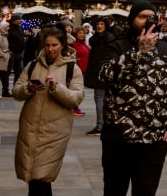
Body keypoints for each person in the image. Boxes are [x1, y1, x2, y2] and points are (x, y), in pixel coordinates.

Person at [98, 0, 167, 196]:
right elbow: (104, 77)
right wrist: (137, 52)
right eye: (141, 17)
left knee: (146, 191)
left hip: (153, 139)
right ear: (131, 20)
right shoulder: (117, 46)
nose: (146, 21)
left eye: (151, 17)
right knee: (114, 190)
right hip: (118, 137)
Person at [12, 27, 84, 196]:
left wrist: (56, 88)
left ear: (63, 45)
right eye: (47, 45)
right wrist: (28, 88)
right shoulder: (32, 65)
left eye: (55, 45)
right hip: (30, 127)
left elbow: (76, 98)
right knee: (32, 176)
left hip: (55, 131)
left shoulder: (72, 69)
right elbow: (16, 91)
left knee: (42, 176)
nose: (50, 49)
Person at [84, 17, 116, 135]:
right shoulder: (95, 38)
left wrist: (104, 67)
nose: (99, 26)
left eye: (102, 24)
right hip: (97, 71)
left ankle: (100, 126)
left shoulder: (108, 37)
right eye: (97, 24)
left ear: (106, 25)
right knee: (100, 98)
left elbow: (109, 55)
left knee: (99, 98)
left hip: (102, 72)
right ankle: (103, 125)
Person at [72, 28, 90, 116]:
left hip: (84, 70)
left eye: (83, 33)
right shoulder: (74, 44)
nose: (82, 35)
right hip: (77, 70)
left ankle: (75, 107)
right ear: (76, 34)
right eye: (80, 33)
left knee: (80, 90)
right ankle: (74, 108)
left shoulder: (84, 44)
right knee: (77, 90)